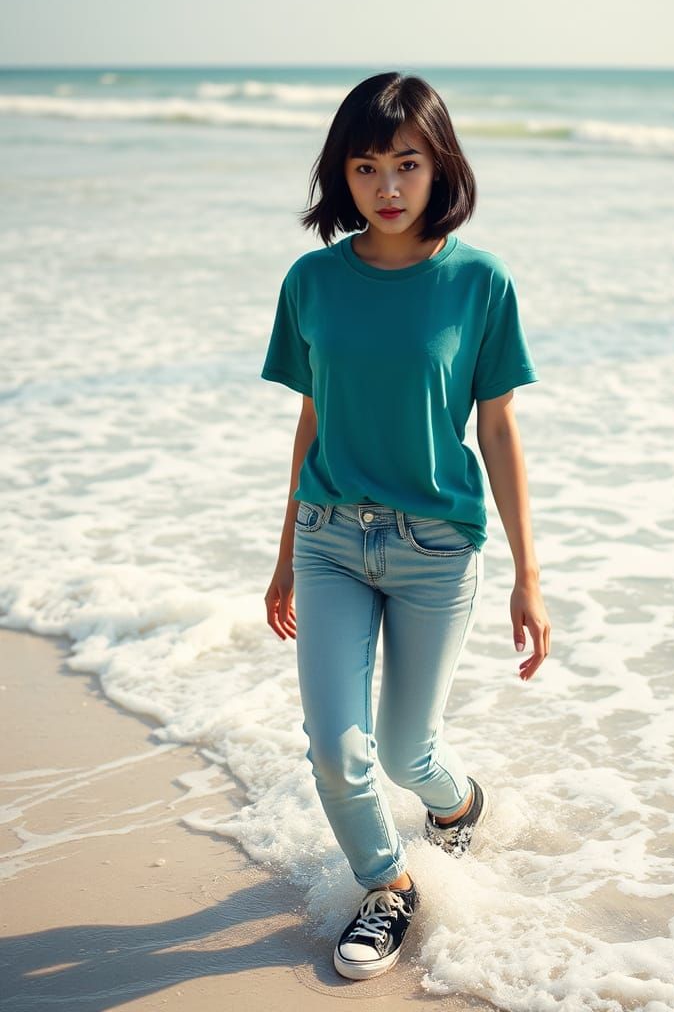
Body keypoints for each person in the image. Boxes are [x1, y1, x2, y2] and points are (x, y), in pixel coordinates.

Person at [261, 71, 551, 981]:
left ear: (440, 168)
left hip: (437, 550)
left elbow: (498, 427)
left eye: (407, 164)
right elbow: (312, 421)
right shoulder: (312, 281)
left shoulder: (480, 282)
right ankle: (386, 889)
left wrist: (529, 577)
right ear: (340, 177)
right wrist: (283, 558)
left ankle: (457, 807)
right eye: (365, 166)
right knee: (337, 748)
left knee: (404, 750)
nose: (387, 186)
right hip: (331, 537)